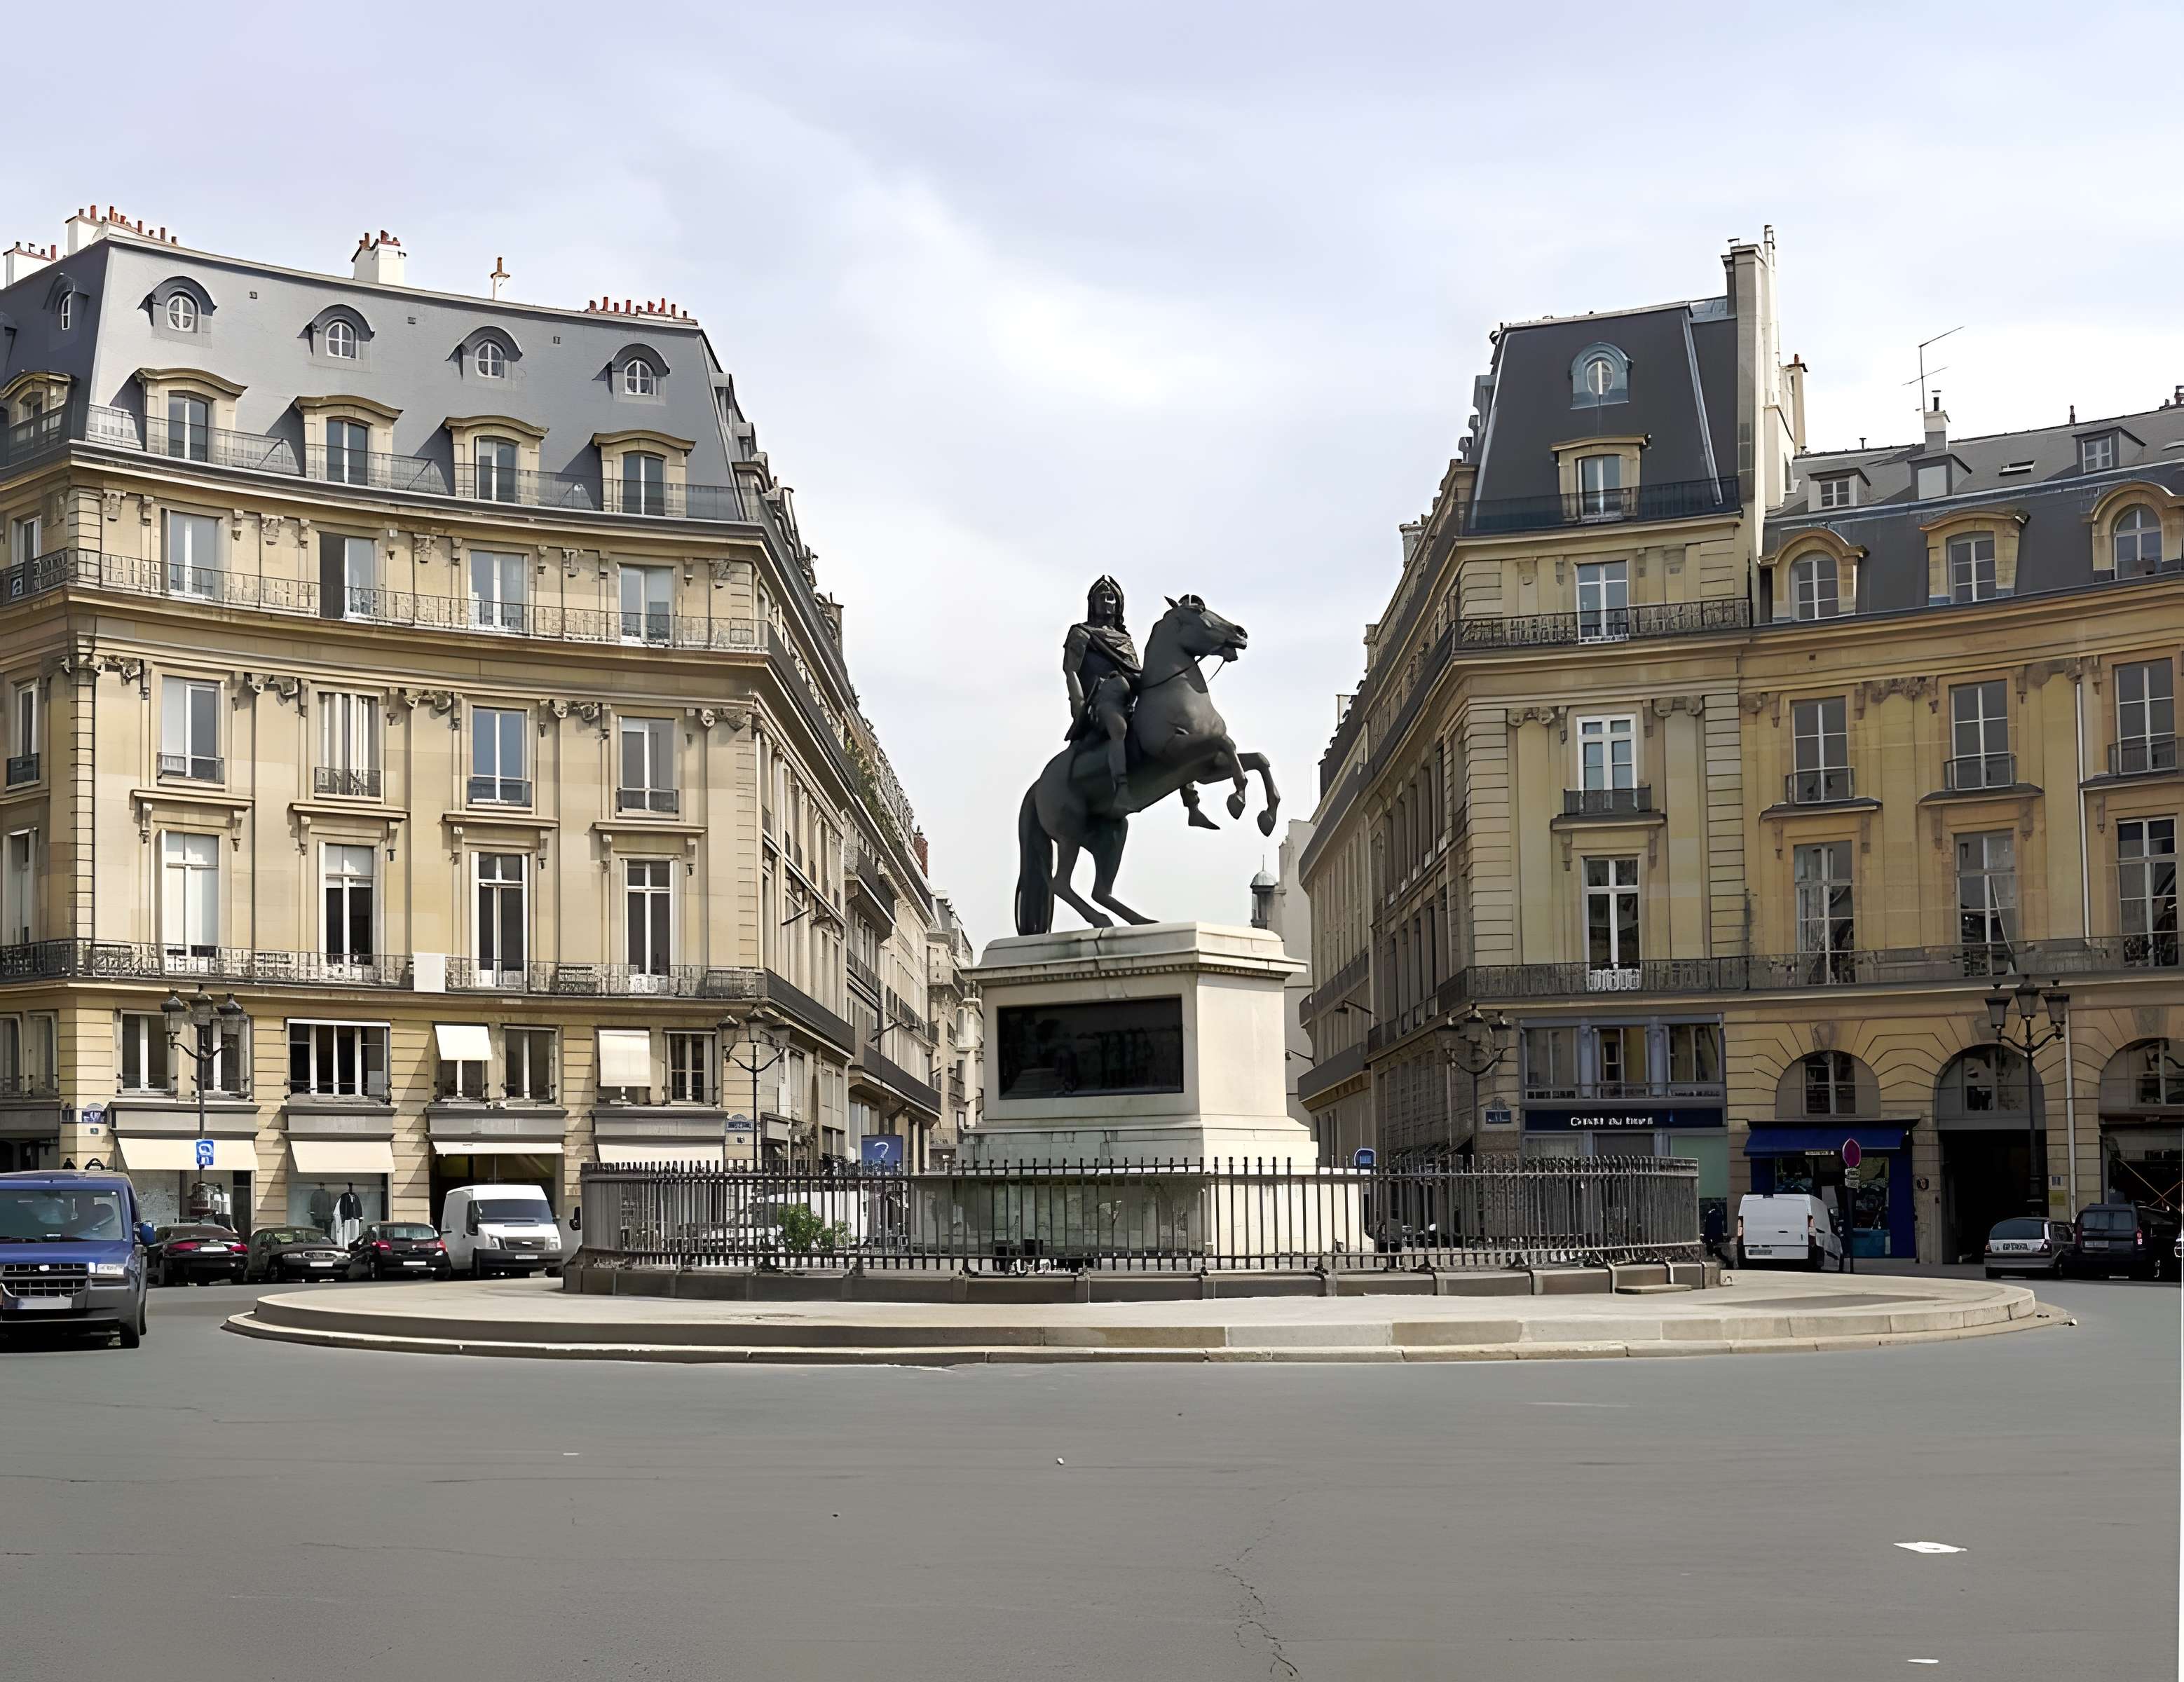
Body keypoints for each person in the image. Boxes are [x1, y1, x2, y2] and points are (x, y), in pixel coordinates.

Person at [1063, 577, 1217, 828]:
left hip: (1131, 695)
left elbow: (1135, 671)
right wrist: (1078, 706)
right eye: (1101, 597)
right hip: (1104, 697)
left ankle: (1193, 805)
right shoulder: (1081, 633)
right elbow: (1071, 671)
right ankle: (1122, 789)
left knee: (1173, 729)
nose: (1107, 601)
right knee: (1119, 727)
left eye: (1111, 597)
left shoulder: (1125, 638)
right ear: (1092, 602)